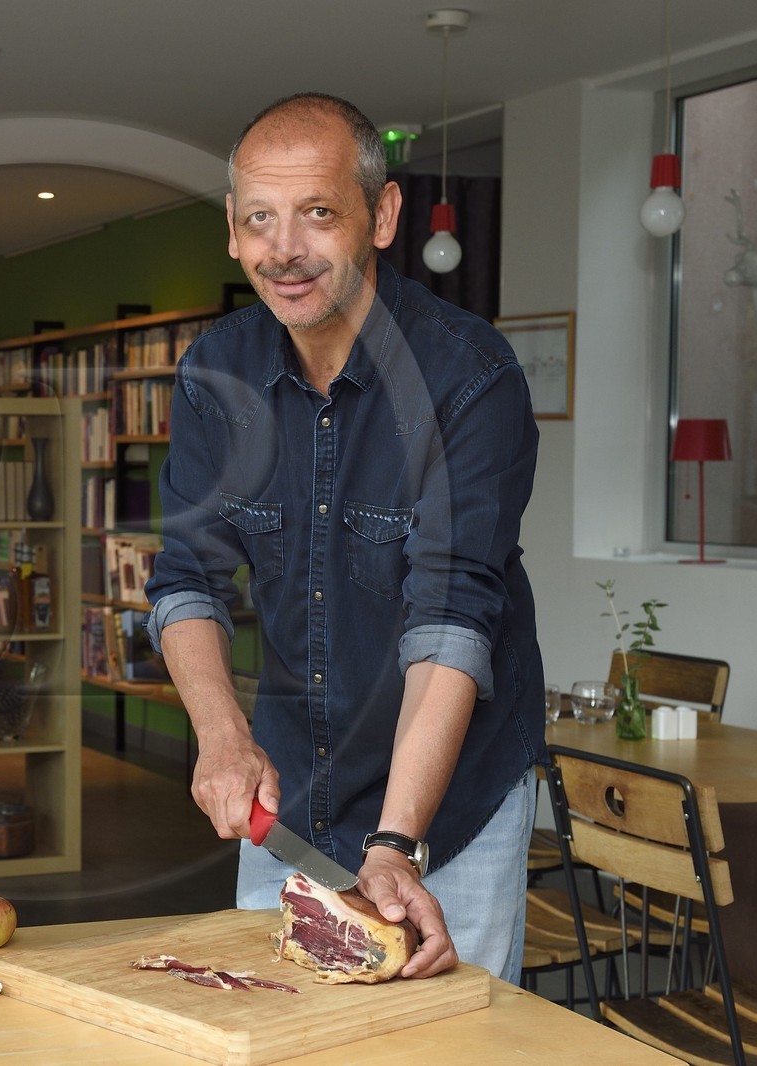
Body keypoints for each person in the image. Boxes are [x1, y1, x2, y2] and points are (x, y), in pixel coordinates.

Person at [144, 92, 545, 983]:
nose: (284, 248)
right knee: (278, 1022)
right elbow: (187, 579)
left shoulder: (469, 377)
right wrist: (222, 736)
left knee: (444, 1041)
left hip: (450, 812)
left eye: (318, 212)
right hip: (289, 800)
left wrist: (397, 843)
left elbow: (453, 618)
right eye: (260, 217)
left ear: (383, 215)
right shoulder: (214, 374)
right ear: (233, 229)